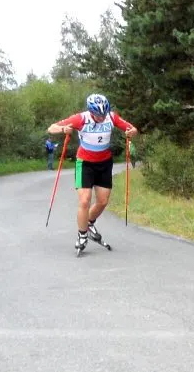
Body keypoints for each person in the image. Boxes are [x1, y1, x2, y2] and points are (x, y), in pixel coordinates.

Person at [47, 94, 138, 253]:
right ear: (91, 112)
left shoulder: (111, 117)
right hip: (84, 163)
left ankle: (88, 223)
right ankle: (82, 235)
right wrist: (63, 129)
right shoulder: (80, 118)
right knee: (85, 200)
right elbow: (51, 128)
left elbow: (133, 129)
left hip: (104, 163)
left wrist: (131, 133)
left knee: (102, 201)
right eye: (98, 115)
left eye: (104, 114)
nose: (102, 117)